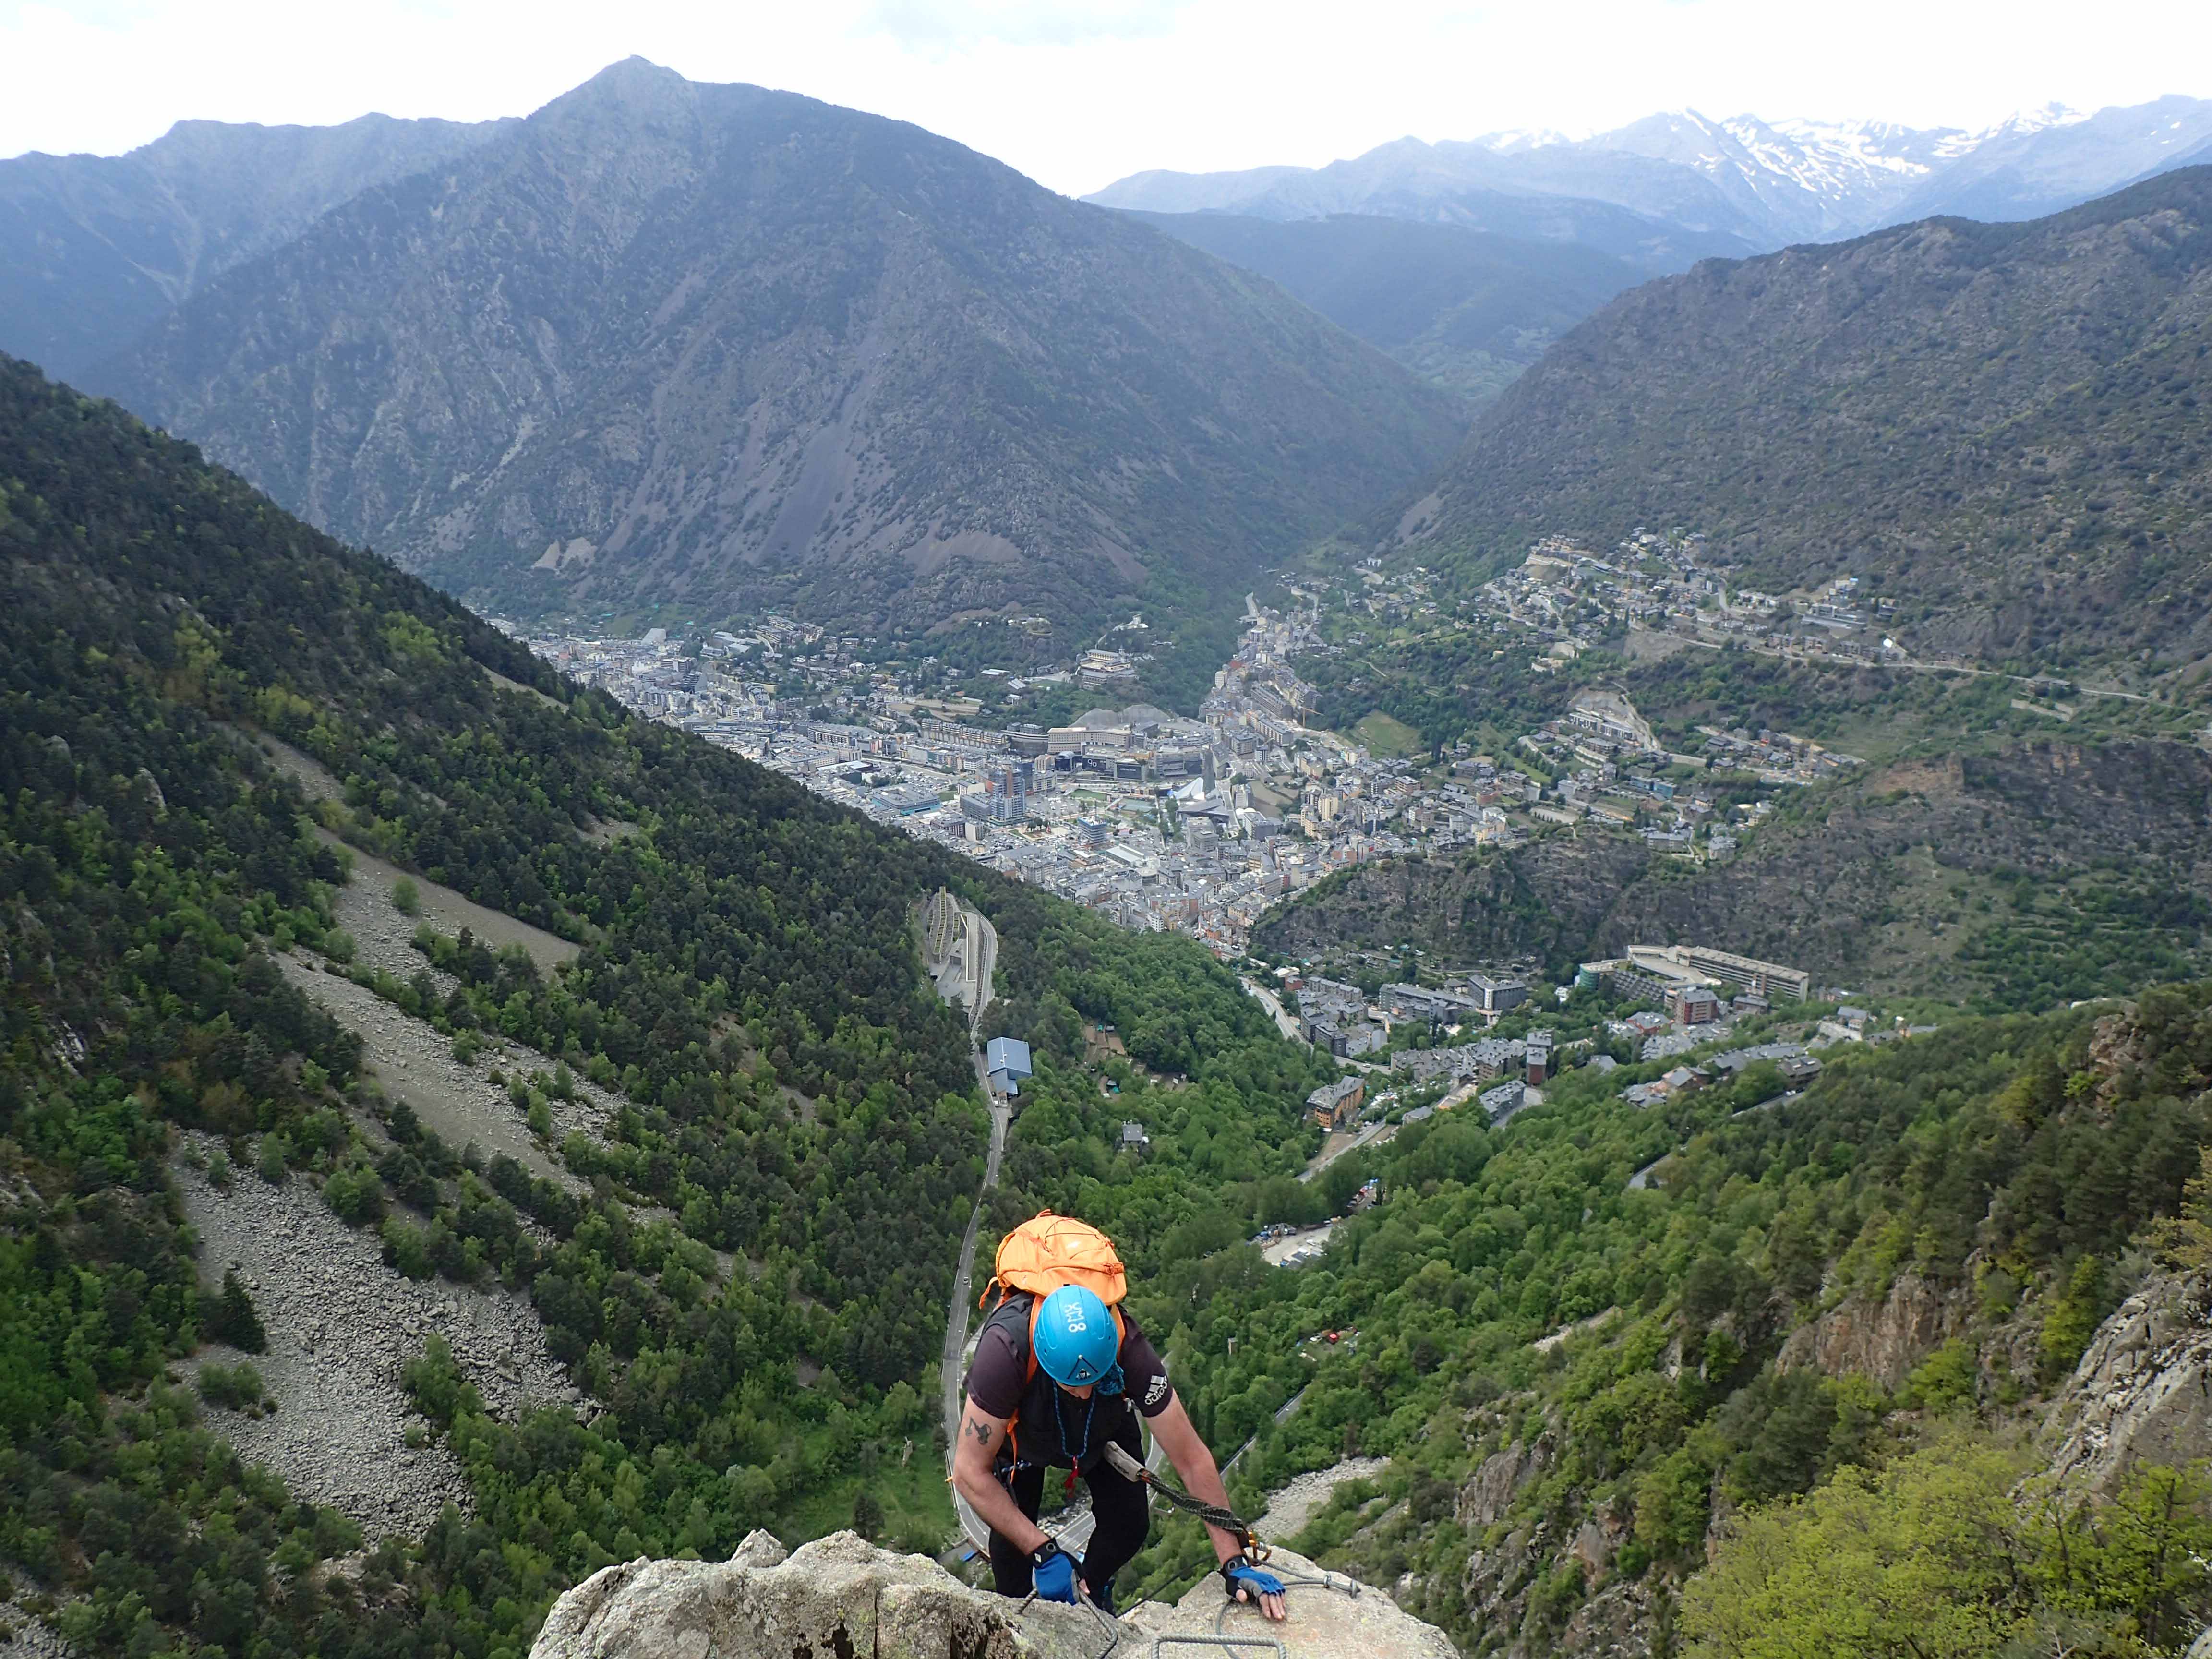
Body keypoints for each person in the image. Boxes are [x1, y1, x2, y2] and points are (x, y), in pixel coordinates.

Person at [953, 1281, 1286, 1620]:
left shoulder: (1131, 1352)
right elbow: (969, 1472)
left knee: (1129, 1524)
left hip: (1104, 1423)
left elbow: (1191, 1458)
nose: (1084, 1393)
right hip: (1024, 1435)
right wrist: (1042, 1549)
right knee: (1012, 1553)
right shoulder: (1004, 1354)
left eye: (1094, 1379)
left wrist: (1234, 1562)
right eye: (1074, 1384)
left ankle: (1091, 1593)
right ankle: (1015, 1621)